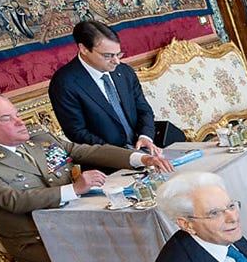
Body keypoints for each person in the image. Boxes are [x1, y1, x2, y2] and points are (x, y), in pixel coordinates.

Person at [0, 89, 168, 262]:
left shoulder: (38, 137)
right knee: (121, 247)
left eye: (16, 114)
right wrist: (74, 189)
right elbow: (13, 200)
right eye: (7, 119)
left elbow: (84, 151)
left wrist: (141, 158)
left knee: (144, 228)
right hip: (39, 239)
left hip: (79, 219)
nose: (20, 122)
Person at [49, 20, 181, 161]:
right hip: (108, 160)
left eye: (118, 54)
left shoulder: (124, 71)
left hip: (145, 148)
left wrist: (145, 137)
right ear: (84, 49)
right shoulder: (65, 83)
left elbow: (144, 110)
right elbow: (78, 133)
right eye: (108, 56)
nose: (117, 61)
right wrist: (127, 156)